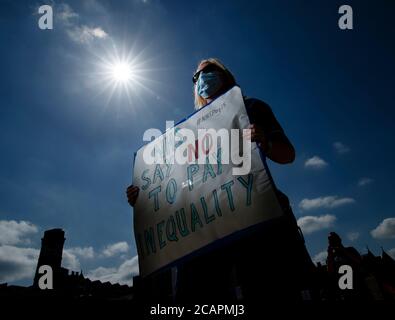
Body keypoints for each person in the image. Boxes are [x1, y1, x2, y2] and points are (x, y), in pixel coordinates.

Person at [126, 58, 315, 302]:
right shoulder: (187, 134)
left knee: (269, 294)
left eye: (209, 71)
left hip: (255, 222)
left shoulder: (251, 106)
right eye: (196, 77)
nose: (201, 78)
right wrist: (146, 196)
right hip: (206, 231)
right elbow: (183, 186)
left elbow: (288, 155)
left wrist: (265, 141)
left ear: (224, 74)